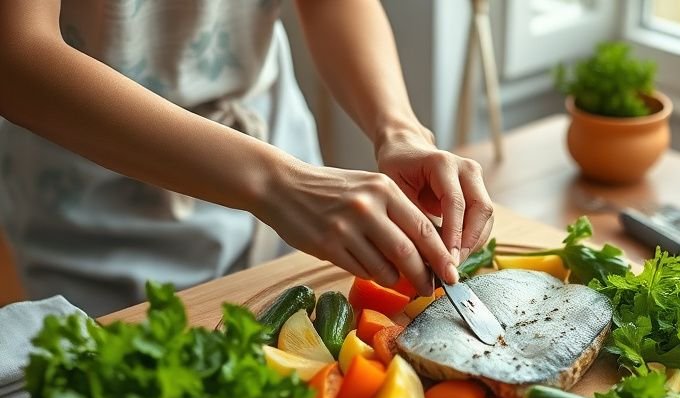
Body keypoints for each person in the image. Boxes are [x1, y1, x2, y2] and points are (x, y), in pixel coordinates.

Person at [0, 0, 493, 316]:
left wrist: (400, 129)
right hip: (98, 197)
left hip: (282, 164)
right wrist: (278, 185)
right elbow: (15, 56)